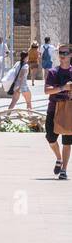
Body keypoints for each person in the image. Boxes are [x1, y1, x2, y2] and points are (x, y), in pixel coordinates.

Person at [45, 44, 72, 180]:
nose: (63, 55)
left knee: (67, 141)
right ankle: (59, 158)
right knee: (50, 138)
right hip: (53, 109)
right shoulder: (53, 72)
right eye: (61, 52)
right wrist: (63, 88)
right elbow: (47, 90)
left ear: (71, 55)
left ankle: (64, 170)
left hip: (69, 110)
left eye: (66, 53)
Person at [6, 42, 38, 114]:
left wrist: (17, 87)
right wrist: (19, 87)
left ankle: (7, 117)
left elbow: (13, 73)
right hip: (23, 86)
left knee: (13, 102)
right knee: (28, 102)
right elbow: (21, 77)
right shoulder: (26, 66)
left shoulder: (17, 63)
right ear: (26, 57)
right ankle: (31, 118)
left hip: (16, 85)